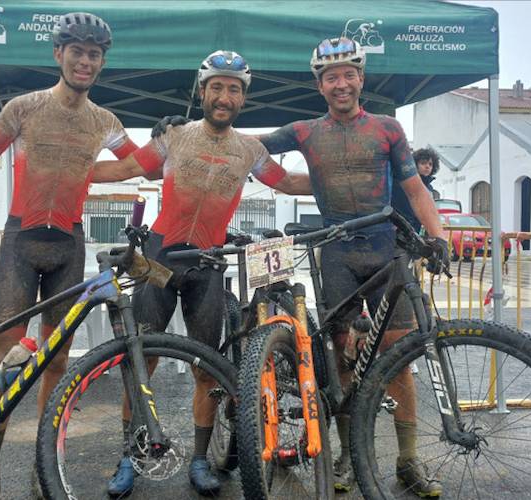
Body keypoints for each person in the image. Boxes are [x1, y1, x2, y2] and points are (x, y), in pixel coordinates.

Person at [92, 50, 312, 497]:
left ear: (243, 98)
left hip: (208, 263)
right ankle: (128, 456)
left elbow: (289, 183)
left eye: (234, 89)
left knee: (206, 370)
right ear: (202, 91)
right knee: (143, 361)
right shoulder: (174, 135)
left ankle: (197, 460)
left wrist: (350, 176)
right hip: (158, 260)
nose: (224, 96)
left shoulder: (250, 149)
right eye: (217, 87)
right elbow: (125, 168)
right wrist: (66, 173)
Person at [0, 12, 138, 500]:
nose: (85, 61)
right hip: (20, 241)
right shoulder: (24, 107)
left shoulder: (104, 121)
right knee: (2, 360)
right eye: (77, 51)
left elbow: (136, 163)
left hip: (68, 244)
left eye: (94, 54)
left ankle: (42, 462)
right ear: (58, 54)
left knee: (57, 361)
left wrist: (166, 137)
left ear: (101, 62)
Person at [256, 36, 449, 497]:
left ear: (360, 79)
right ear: (319, 85)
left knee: (398, 359)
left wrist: (438, 235)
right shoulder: (305, 132)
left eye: (348, 75)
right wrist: (196, 136)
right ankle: (347, 456)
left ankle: (407, 460)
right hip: (337, 252)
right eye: (330, 78)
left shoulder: (387, 129)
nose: (340, 84)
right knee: (340, 360)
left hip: (386, 250)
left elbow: (417, 189)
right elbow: (250, 150)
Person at [393, 147, 440, 232]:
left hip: (416, 229)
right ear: (414, 165)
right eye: (423, 163)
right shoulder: (403, 182)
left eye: (430, 164)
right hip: (399, 228)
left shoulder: (429, 188)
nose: (427, 166)